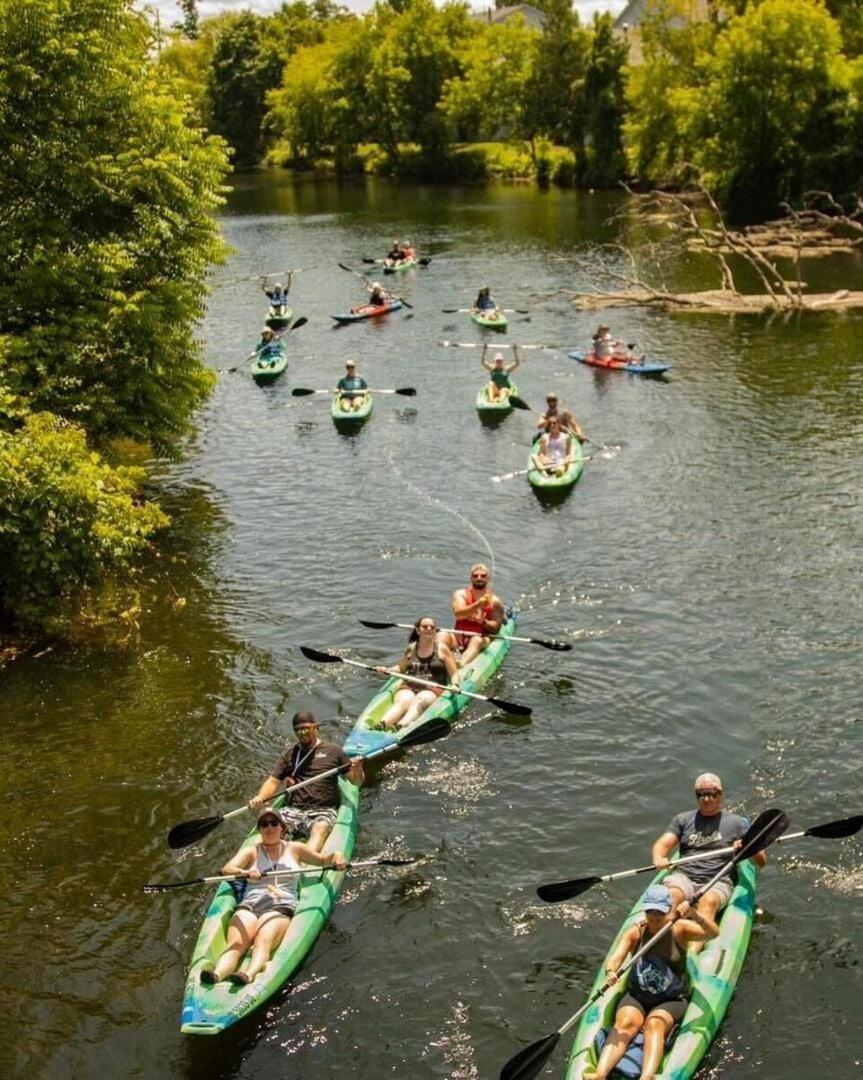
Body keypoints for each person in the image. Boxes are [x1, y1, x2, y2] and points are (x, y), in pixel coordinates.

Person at [583, 884, 718, 1080]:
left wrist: (695, 916)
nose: (654, 916)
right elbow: (616, 958)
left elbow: (713, 934)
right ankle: (600, 1075)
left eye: (659, 912)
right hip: (638, 995)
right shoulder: (636, 931)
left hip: (671, 999)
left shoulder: (679, 929)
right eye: (650, 911)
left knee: (655, 1024)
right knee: (625, 1023)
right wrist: (611, 971)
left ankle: (647, 1077)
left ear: (669, 909)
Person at [199, 807, 346, 986]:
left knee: (263, 940)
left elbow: (322, 860)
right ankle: (217, 974)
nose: (269, 827)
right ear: (260, 829)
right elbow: (227, 869)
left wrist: (337, 856)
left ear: (282, 828)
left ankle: (248, 974)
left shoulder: (296, 849)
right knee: (236, 943)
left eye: (274, 823)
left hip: (280, 905)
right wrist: (246, 871)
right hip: (251, 904)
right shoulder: (251, 851)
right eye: (264, 824)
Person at [651, 773, 768, 939]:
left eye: (710, 794)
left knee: (708, 902)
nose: (705, 799)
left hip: (718, 879)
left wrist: (747, 847)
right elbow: (663, 844)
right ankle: (665, 943)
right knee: (672, 896)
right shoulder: (683, 819)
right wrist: (659, 858)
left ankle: (693, 952)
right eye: (700, 794)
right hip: (684, 875)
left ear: (720, 794)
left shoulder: (738, 823)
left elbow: (762, 862)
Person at [248, 710, 364, 852]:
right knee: (270, 826)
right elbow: (273, 782)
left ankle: (304, 863)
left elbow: (356, 782)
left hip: (322, 811)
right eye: (298, 731)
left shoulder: (334, 751)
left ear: (315, 727)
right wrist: (260, 797)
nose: (302, 734)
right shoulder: (290, 755)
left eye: (306, 729)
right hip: (293, 810)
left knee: (319, 829)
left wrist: (358, 769)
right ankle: (259, 860)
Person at [375, 616, 460, 731]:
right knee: (404, 700)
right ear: (418, 630)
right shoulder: (411, 648)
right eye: (425, 626)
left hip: (432, 688)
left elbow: (454, 673)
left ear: (435, 630)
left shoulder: (442, 649)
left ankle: (400, 727)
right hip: (410, 685)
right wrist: (387, 670)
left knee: (419, 700)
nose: (429, 629)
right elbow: (401, 668)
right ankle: (382, 724)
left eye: (432, 627)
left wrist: (455, 685)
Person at [447, 563, 506, 668]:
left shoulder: (495, 601)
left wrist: (483, 621)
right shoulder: (460, 594)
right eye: (475, 576)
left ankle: (460, 665)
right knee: (442, 635)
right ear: (471, 578)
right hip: (459, 634)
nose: (479, 578)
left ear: (488, 578)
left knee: (476, 640)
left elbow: (496, 629)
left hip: (481, 637)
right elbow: (458, 614)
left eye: (483, 576)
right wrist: (478, 605)